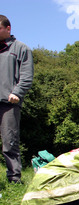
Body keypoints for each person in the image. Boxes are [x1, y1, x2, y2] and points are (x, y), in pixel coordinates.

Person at [0, 15, 34, 184]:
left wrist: (17, 92)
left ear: (8, 28)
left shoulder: (21, 49)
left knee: (9, 142)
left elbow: (27, 76)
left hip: (8, 102)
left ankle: (14, 179)